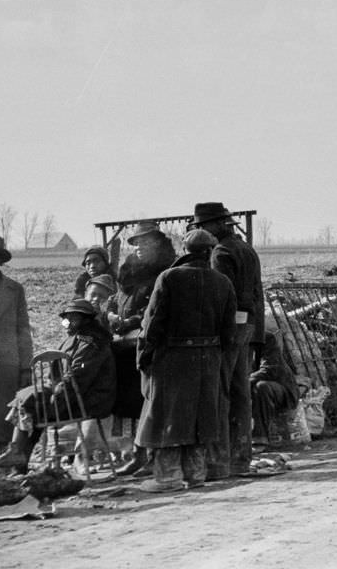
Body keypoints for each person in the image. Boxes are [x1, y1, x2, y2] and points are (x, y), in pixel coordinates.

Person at [135, 229, 236, 493]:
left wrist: (144, 357)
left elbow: (152, 323)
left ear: (185, 250)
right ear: (209, 251)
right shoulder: (223, 282)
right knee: (201, 418)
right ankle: (196, 474)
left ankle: (168, 478)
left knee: (167, 417)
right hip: (210, 360)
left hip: (174, 360)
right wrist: (218, 360)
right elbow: (229, 332)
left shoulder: (169, 278)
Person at [0, 299, 115, 473]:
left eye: (73, 319)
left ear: (86, 320)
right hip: (70, 395)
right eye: (66, 319)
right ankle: (18, 458)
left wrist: (54, 400)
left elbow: (78, 379)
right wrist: (50, 393)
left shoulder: (92, 344)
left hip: (89, 400)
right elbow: (54, 376)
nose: (68, 323)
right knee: (27, 397)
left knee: (34, 403)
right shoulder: (71, 340)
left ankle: (18, 455)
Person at [190, 202, 264, 481]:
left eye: (203, 226)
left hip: (231, 328)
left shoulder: (221, 252)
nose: (201, 231)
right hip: (248, 327)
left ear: (219, 224)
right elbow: (256, 293)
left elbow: (223, 296)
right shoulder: (246, 248)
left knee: (223, 393)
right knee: (241, 393)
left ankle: (221, 462)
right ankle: (241, 459)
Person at [108, 221, 176, 477]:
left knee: (151, 400)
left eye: (145, 242)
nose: (139, 247)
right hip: (125, 347)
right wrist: (112, 315)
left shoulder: (166, 270)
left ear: (158, 244)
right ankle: (137, 454)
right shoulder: (128, 272)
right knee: (131, 402)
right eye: (136, 243)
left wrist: (133, 321)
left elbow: (157, 309)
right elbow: (116, 300)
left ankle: (154, 455)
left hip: (150, 344)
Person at [0, 234, 32, 456]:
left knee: (3, 414)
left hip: (6, 362)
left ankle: (5, 460)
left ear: (1, 261)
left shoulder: (14, 290)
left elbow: (23, 329)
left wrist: (26, 366)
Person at [250, 314, 298, 448]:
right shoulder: (232, 341)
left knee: (261, 387)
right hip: (250, 385)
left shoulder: (266, 338)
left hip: (281, 388)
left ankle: (259, 439)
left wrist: (245, 382)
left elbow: (270, 369)